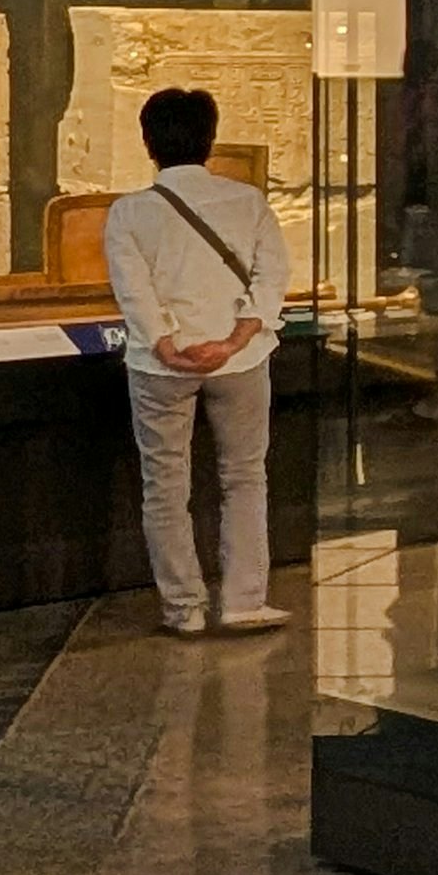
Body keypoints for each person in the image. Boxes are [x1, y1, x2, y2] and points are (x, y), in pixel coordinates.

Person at [103, 87, 291, 638]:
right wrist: (231, 342)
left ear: (148, 143)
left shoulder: (129, 213)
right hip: (242, 362)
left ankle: (183, 608)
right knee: (245, 477)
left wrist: (165, 343)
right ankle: (244, 602)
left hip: (160, 368)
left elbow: (133, 290)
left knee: (164, 485)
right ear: (210, 140)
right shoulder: (248, 202)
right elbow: (271, 278)